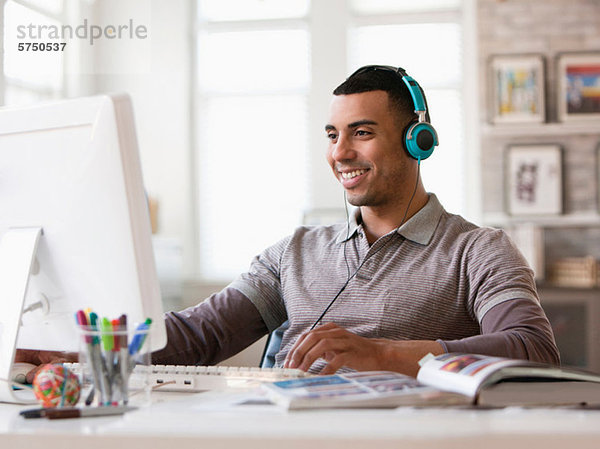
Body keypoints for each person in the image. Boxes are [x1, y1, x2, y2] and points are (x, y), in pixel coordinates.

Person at [18, 65, 560, 380]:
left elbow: (532, 348)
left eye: (362, 132)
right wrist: (76, 350)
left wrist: (384, 354)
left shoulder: (479, 251)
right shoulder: (295, 251)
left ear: (418, 141)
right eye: (332, 135)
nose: (340, 153)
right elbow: (200, 334)